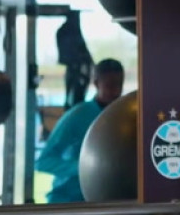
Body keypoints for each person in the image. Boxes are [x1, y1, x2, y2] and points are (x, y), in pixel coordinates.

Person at [36, 58, 124, 203]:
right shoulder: (76, 116)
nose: (115, 91)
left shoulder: (126, 117)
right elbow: (43, 161)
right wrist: (83, 167)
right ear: (96, 83)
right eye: (109, 85)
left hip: (107, 202)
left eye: (118, 85)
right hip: (68, 202)